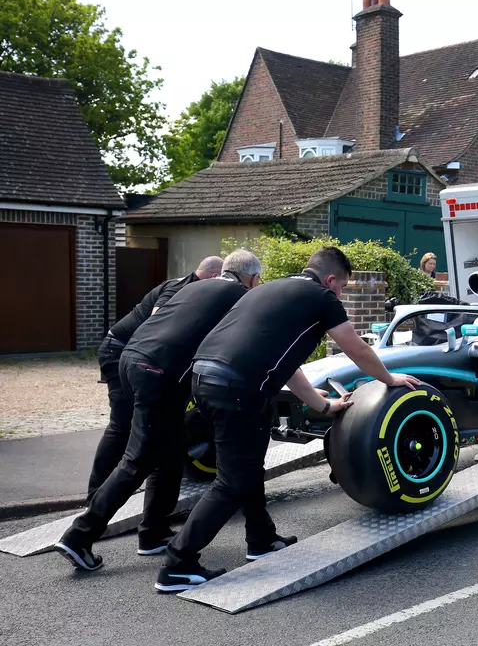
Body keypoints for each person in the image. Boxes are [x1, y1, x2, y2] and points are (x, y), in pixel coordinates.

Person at [154, 245, 420, 592]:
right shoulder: (322, 297)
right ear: (329, 280)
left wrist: (322, 406)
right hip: (236, 386)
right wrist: (390, 379)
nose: (340, 293)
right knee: (233, 480)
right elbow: (355, 347)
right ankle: (177, 564)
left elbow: (285, 362)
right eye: (341, 286)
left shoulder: (270, 288)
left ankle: (261, 540)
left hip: (204, 377)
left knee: (247, 467)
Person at [54, 250, 263, 573]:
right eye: (258, 280)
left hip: (132, 358)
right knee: (138, 458)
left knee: (171, 453)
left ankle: (153, 532)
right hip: (158, 372)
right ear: (250, 278)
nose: (257, 285)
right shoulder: (238, 295)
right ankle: (79, 536)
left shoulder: (193, 286)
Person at [87, 256, 224, 506]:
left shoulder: (191, 288)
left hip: (134, 353)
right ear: (215, 277)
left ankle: (121, 489)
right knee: (122, 425)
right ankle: (96, 494)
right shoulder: (179, 288)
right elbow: (157, 321)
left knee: (148, 428)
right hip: (121, 350)